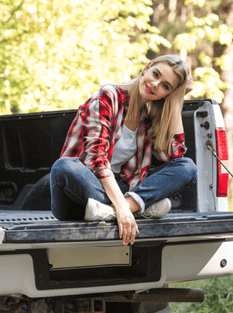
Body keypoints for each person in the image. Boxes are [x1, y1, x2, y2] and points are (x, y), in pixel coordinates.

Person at [50, 54, 197, 246]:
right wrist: (122, 207)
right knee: (64, 167)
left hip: (117, 192)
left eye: (166, 86)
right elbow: (96, 160)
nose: (155, 84)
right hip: (82, 192)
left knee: (187, 167)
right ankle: (136, 207)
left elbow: (174, 155)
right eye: (155, 74)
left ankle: (114, 210)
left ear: (167, 94)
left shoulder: (148, 114)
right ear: (146, 68)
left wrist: (177, 101)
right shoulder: (108, 96)